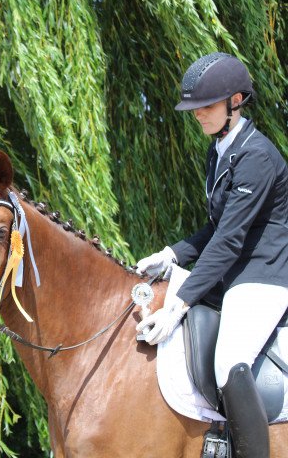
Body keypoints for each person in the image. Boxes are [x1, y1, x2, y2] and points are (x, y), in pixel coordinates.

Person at [135, 52, 288, 458]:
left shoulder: (256, 157)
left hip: (265, 277)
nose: (197, 115)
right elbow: (216, 231)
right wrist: (171, 253)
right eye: (194, 108)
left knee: (228, 361)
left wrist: (178, 305)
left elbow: (230, 240)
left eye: (205, 106)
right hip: (233, 274)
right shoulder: (220, 150)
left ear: (235, 101)